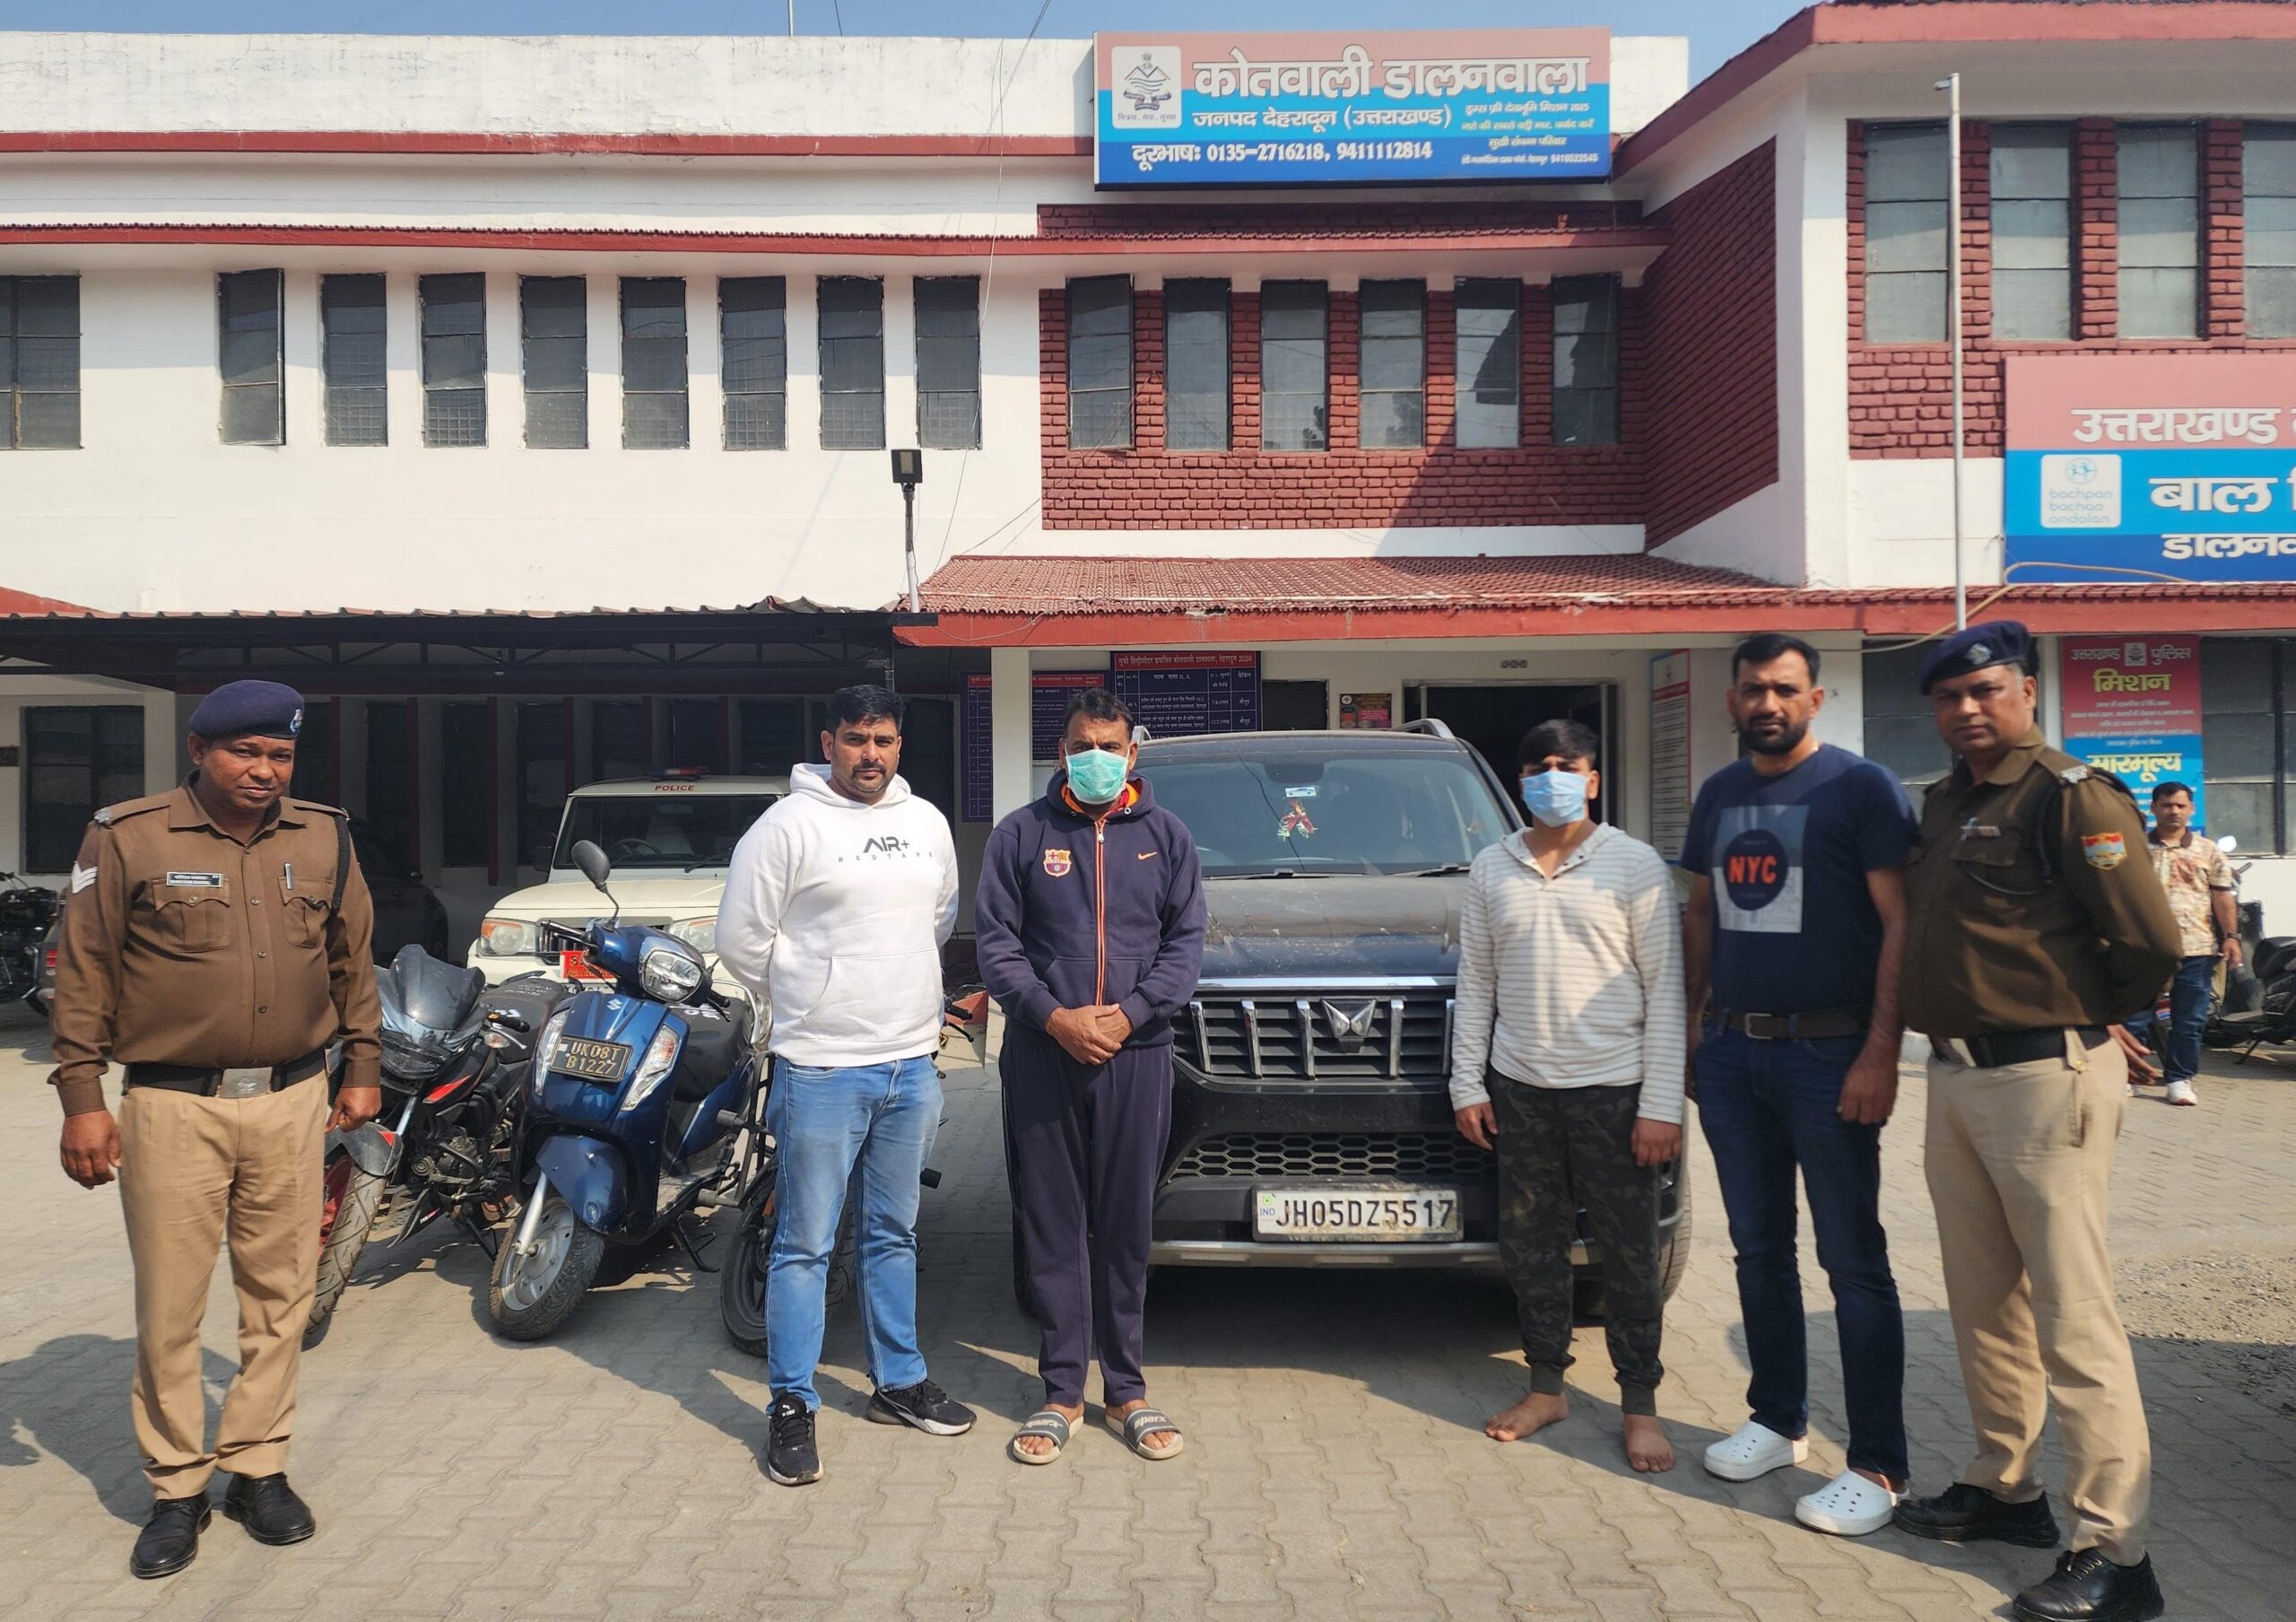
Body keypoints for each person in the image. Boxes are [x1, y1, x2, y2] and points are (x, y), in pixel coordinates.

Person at [48, 679, 383, 1579]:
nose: (264, 770)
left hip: (291, 1099)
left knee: (282, 1296)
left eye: (280, 755)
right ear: (199, 749)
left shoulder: (324, 835)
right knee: (170, 1306)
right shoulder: (130, 834)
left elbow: (353, 958)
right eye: (245, 751)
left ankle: (257, 1468)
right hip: (172, 1105)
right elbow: (84, 969)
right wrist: (81, 1096)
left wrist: (363, 1067)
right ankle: (176, 1488)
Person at [1892, 623, 2179, 1622]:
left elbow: (2149, 938)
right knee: (1984, 1302)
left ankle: (2115, 1552)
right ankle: (2004, 1487)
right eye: (1949, 697)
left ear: (2025, 691)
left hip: (2045, 1077)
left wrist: (2090, 1014)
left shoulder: (2070, 795)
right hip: (1956, 1077)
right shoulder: (1945, 802)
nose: (1967, 708)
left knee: (2073, 1314)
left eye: (1986, 690)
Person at [1681, 634, 1916, 1536]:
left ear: (1815, 698)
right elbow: (1702, 912)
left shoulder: (1861, 788)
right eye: (1753, 689)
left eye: (1785, 688)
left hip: (1830, 1055)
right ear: (1732, 700)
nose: (1767, 703)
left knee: (1852, 1261)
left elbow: (1899, 922)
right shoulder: (1719, 793)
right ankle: (1778, 1419)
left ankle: (1879, 1464)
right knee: (1757, 1248)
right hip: (1734, 1054)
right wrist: (1693, 1030)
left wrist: (1880, 1050)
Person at [716, 684, 971, 1487]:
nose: (871, 754)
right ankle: (791, 1403)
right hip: (822, 1067)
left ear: (900, 746)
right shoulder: (787, 827)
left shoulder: (926, 823)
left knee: (893, 1235)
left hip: (909, 1064)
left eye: (884, 740)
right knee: (805, 1244)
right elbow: (741, 940)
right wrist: (812, 997)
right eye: (857, 739)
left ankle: (898, 1382)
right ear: (828, 742)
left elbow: (938, 917)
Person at [976, 689, 1205, 1466]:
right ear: (1062, 752)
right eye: (1083, 746)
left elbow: (1186, 945)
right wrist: (1054, 1017)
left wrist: (1131, 1014)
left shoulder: (1167, 837)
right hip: (1045, 1052)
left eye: (1110, 747)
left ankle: (1127, 1390)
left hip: (1136, 1056)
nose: (1097, 759)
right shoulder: (1021, 835)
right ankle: (1061, 1392)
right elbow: (998, 945)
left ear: (1132, 755)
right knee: (1053, 1222)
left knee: (1125, 1223)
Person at [1451, 719, 1685, 1473]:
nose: (1551, 777)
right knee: (1531, 1248)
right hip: (1520, 1090)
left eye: (1565, 764)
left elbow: (1666, 990)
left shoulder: (1634, 865)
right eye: (1537, 767)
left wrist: (1662, 1105)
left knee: (1629, 1257)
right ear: (1520, 782)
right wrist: (1467, 1082)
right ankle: (1546, 1387)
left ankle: (1640, 1406)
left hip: (1615, 1094)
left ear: (1592, 779)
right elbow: (1477, 983)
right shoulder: (1492, 868)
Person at [2122, 781, 2236, 1108]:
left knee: (2190, 1020)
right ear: (2153, 808)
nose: (2174, 811)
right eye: (2167, 805)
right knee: (2134, 1017)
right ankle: (2129, 1076)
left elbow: (2222, 896)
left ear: (2191, 810)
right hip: (2145, 947)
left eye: (2180, 806)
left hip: (2197, 948)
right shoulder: (2134, 847)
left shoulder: (2208, 850)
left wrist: (2231, 936)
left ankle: (2179, 1080)